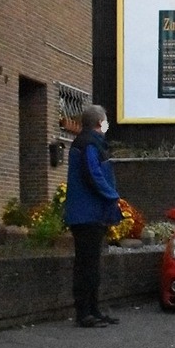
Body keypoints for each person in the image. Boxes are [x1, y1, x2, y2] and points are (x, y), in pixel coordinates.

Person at [63, 104, 123, 328]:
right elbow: (93, 173)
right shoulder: (88, 143)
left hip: (92, 214)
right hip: (86, 214)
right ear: (99, 122)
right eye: (106, 119)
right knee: (86, 265)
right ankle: (84, 313)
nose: (107, 123)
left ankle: (94, 310)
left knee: (92, 265)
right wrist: (111, 194)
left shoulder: (90, 142)